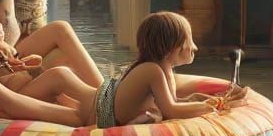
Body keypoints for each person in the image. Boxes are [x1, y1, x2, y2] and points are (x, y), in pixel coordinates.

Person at [55, 11, 249, 128]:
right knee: (53, 84)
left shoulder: (163, 69)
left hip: (100, 104)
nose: (194, 47)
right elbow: (171, 110)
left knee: (60, 79)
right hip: (95, 110)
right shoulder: (153, 71)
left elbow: (174, 102)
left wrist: (213, 98)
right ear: (170, 47)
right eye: (188, 41)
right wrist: (213, 107)